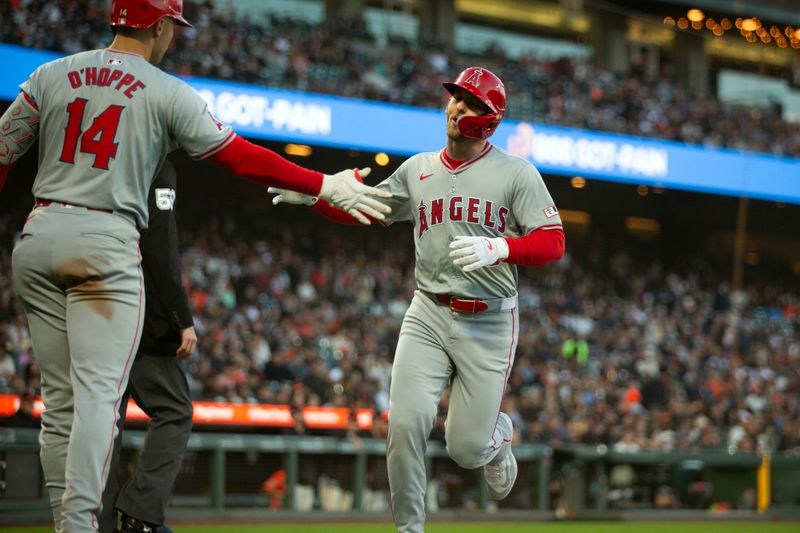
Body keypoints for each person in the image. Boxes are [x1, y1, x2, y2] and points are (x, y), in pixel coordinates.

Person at [0, 1, 391, 530]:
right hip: (106, 240)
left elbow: (3, 151)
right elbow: (239, 156)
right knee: (96, 400)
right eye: (173, 28)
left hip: (40, 231)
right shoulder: (166, 90)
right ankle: (77, 525)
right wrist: (322, 182)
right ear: (160, 25)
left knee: (60, 405)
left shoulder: (50, 74)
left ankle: (64, 520)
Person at [269, 66, 565, 532]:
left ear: (489, 118)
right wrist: (317, 194)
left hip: (488, 321)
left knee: (465, 450)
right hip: (427, 310)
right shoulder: (419, 167)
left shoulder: (516, 172)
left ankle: (497, 436)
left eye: (468, 103)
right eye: (454, 98)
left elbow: (553, 241)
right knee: (404, 427)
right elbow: (370, 207)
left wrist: (502, 246)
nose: (455, 107)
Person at [97, 160, 194, 533]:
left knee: (104, 420)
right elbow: (158, 243)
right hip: (131, 308)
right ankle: (140, 514)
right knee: (174, 407)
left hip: (77, 287)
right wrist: (179, 316)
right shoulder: (157, 162)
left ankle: (95, 522)